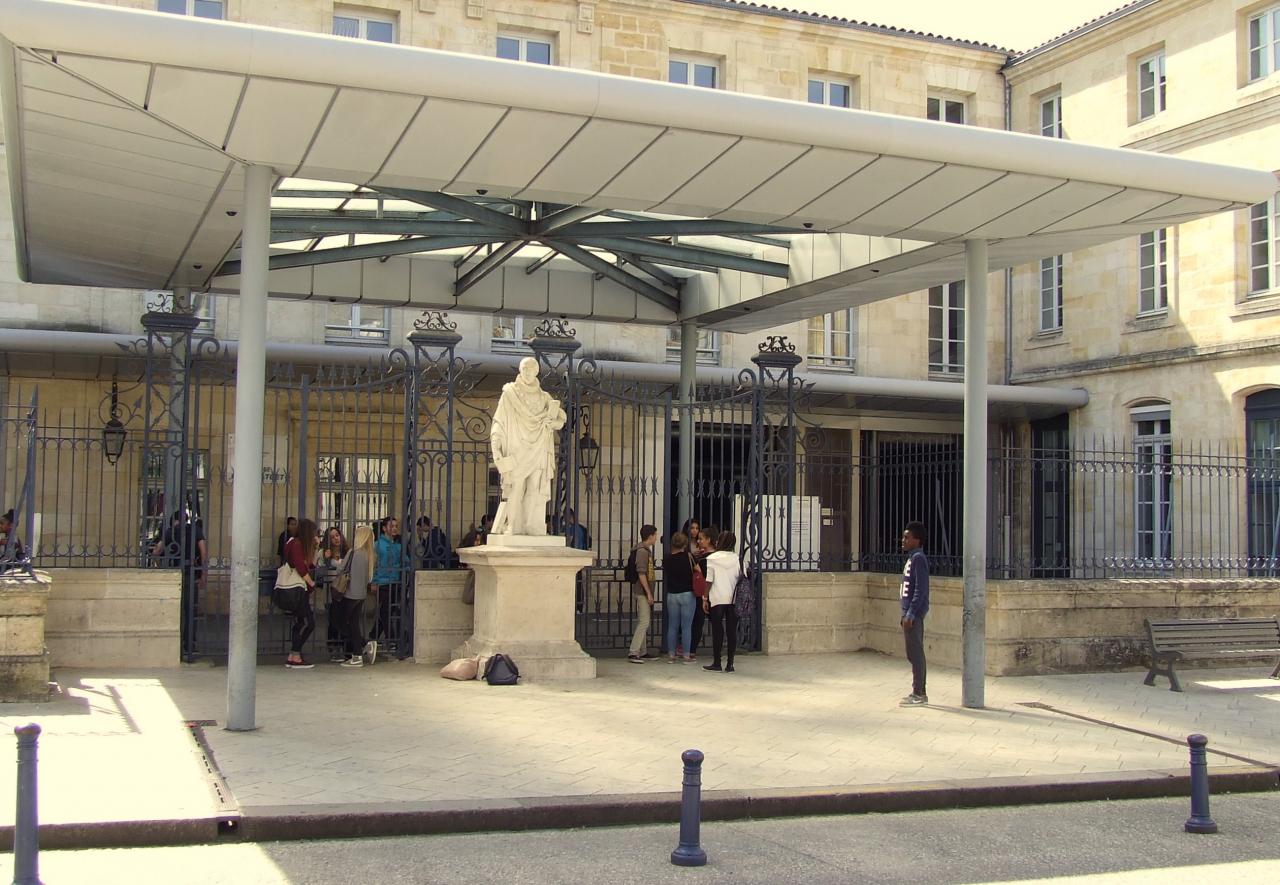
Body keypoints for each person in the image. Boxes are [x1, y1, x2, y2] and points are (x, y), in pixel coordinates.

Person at [490, 357, 567, 536]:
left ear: (536, 372)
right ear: (520, 370)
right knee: (516, 487)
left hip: (539, 446)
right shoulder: (510, 393)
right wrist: (496, 447)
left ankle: (533, 525)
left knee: (535, 486)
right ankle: (513, 526)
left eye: (531, 369)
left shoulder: (544, 397)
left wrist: (551, 422)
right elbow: (499, 421)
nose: (527, 372)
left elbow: (561, 419)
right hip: (517, 449)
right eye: (525, 369)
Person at [151, 509, 207, 659]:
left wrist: (160, 568)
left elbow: (156, 552)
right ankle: (190, 645)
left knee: (176, 610)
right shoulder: (197, 531)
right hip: (191, 574)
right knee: (191, 611)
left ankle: (174, 643)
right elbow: (203, 552)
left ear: (173, 520)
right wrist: (203, 574)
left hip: (175, 574)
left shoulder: (170, 532)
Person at [278, 517, 319, 669]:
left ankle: (293, 655)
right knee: (309, 623)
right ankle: (295, 655)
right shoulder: (296, 544)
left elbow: (310, 564)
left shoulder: (293, 543)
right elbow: (301, 567)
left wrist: (315, 549)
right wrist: (312, 582)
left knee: (300, 622)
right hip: (298, 588)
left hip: (297, 588)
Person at [899, 521, 931, 707]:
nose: (903, 540)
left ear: (917, 540)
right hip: (908, 614)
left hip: (913, 615)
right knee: (912, 653)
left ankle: (919, 693)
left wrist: (910, 614)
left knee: (916, 653)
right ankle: (917, 691)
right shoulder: (913, 557)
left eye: (907, 537)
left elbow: (920, 588)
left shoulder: (918, 558)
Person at [703, 530, 743, 673]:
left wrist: (704, 598)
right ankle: (730, 664)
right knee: (732, 631)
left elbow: (709, 581)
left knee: (717, 630)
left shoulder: (712, 558)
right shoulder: (739, 559)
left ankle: (717, 662)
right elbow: (742, 577)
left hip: (717, 598)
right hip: (733, 598)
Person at [367, 515, 402, 663]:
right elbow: (373, 564)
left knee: (388, 611)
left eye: (395, 526)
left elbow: (404, 560)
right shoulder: (377, 545)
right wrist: (373, 582)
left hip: (396, 581)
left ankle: (372, 637)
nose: (394, 529)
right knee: (386, 611)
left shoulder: (398, 544)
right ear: (384, 528)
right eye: (391, 526)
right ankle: (391, 640)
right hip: (382, 582)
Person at [339, 524, 375, 668]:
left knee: (342, 622)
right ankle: (359, 652)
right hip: (361, 594)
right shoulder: (369, 555)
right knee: (354, 623)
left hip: (350, 593)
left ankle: (360, 650)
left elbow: (341, 569)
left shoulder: (353, 553)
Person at [662, 532, 698, 663]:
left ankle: (671, 655)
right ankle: (686, 655)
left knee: (672, 625)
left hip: (672, 594)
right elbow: (698, 570)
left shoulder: (667, 559)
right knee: (686, 626)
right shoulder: (689, 556)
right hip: (687, 594)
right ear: (685, 544)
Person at [627, 524, 658, 664]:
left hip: (643, 591)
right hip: (642, 591)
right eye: (655, 535)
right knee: (644, 621)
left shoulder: (644, 550)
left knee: (644, 620)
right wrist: (648, 593)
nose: (656, 537)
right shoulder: (643, 552)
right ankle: (634, 652)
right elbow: (641, 573)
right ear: (650, 536)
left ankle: (642, 651)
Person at [319, 526, 350, 663]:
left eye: (337, 535)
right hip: (331, 588)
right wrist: (326, 560)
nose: (336, 538)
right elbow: (318, 571)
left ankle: (345, 648)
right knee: (333, 618)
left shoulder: (347, 551)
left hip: (345, 588)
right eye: (332, 537)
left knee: (344, 617)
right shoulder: (324, 552)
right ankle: (333, 646)